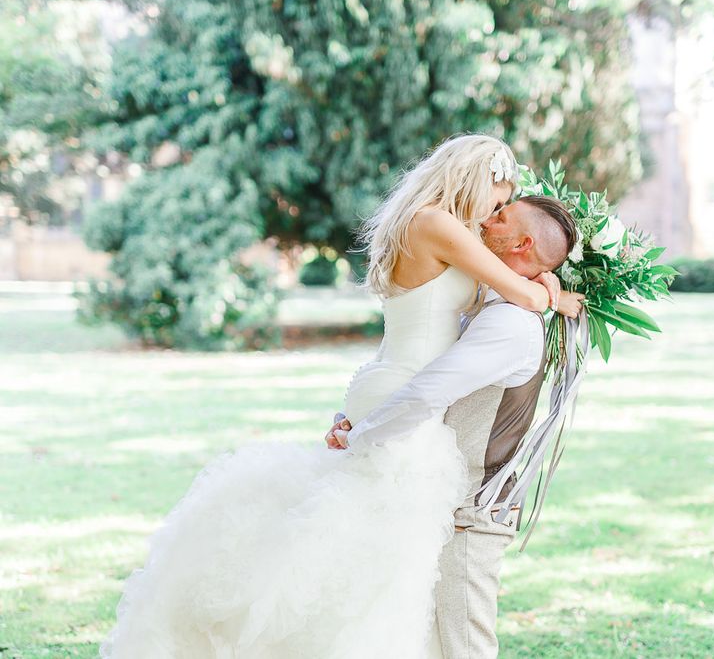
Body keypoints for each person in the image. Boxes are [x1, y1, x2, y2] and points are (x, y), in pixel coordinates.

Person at [100, 134, 578, 659]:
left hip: (392, 382)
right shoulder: (436, 224)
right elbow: (521, 292)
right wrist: (554, 293)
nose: (494, 214)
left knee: (363, 554)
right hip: (406, 396)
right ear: (474, 182)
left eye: (503, 209)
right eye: (498, 200)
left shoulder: (432, 226)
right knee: (367, 564)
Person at [328, 195, 583, 658]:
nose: (486, 219)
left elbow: (429, 392)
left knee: (464, 646)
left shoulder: (509, 323)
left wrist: (359, 440)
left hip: (471, 512)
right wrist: (357, 416)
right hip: (438, 504)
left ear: (522, 243)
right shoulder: (490, 306)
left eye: (500, 217)